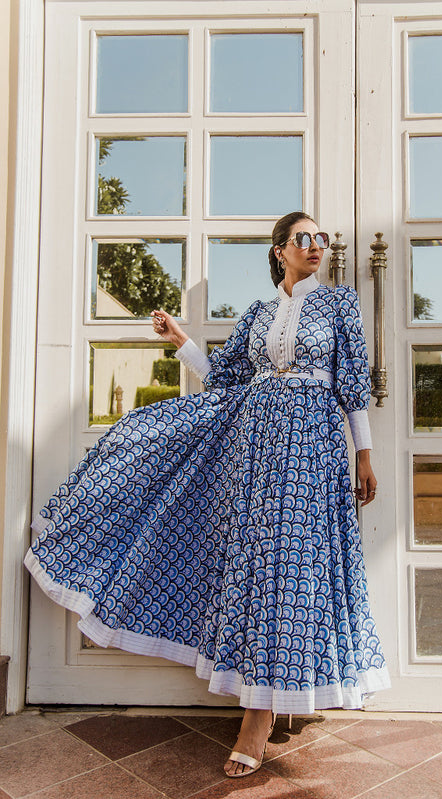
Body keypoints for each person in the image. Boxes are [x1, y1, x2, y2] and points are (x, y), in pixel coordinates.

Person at [25, 211, 390, 778]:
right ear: (279, 251)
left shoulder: (338, 306)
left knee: (292, 573)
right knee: (255, 569)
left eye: (319, 238)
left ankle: (260, 715)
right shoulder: (259, 313)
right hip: (254, 455)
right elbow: (224, 378)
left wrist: (364, 455)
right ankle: (262, 701)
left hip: (314, 452)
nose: (315, 246)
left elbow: (352, 385)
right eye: (303, 239)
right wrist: (182, 341)